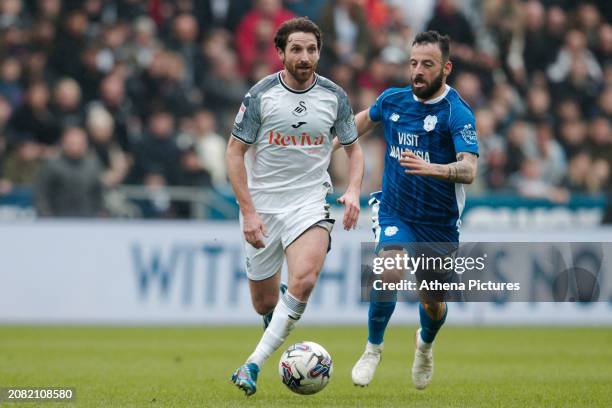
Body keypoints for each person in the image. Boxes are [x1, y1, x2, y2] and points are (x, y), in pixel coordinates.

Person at [227, 17, 363, 396]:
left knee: (305, 279)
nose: (305, 57)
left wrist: (352, 190)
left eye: (312, 49)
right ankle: (277, 316)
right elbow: (234, 154)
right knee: (263, 302)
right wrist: (249, 212)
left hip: (309, 201)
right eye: (297, 49)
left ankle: (252, 364)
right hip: (264, 206)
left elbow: (354, 150)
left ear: (319, 52)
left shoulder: (334, 96)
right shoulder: (260, 95)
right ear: (281, 53)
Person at [345, 31, 479, 390]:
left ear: (446, 68)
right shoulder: (392, 100)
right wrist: (322, 143)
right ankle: (373, 348)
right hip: (395, 210)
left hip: (438, 223)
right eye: (414, 63)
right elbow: (355, 126)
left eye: (427, 65)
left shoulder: (457, 113)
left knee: (434, 303)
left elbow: (469, 169)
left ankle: (425, 345)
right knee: (388, 269)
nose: (417, 71)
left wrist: (434, 168)